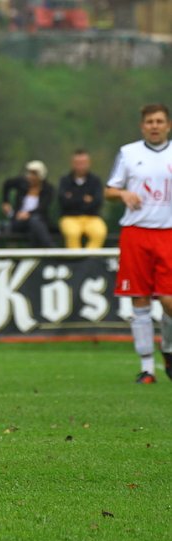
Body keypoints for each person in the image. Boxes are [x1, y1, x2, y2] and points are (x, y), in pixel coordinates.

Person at [105, 103, 172, 385]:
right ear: (142, 126)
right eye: (149, 122)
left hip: (168, 233)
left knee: (168, 300)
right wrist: (123, 194)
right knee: (140, 299)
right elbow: (109, 190)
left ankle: (168, 347)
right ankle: (147, 368)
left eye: (159, 121)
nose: (154, 126)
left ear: (168, 125)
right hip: (136, 233)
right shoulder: (129, 153)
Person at [58, 149, 106, 249]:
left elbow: (97, 202)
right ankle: (76, 258)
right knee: (72, 233)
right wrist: (84, 199)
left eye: (83, 163)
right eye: (78, 163)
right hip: (70, 217)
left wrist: (73, 197)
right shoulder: (65, 180)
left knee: (99, 232)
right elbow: (63, 202)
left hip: (92, 217)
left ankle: (90, 257)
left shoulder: (95, 180)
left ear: (89, 163)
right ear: (72, 163)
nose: (81, 166)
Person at [1, 161, 56, 247]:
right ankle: (50, 248)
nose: (30, 176)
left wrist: (28, 214)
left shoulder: (48, 189)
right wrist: (5, 202)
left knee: (34, 222)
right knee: (35, 224)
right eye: (29, 173)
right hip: (19, 221)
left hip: (39, 220)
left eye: (34, 174)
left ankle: (36, 252)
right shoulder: (22, 183)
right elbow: (7, 184)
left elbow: (42, 208)